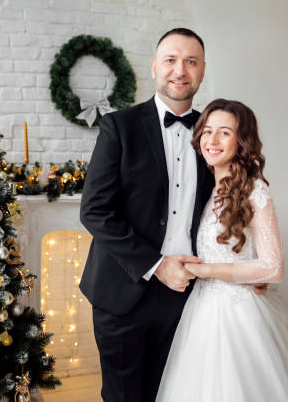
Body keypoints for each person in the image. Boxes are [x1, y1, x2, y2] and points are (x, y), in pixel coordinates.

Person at [80, 28, 219, 401]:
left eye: (191, 61)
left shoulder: (215, 134)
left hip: (189, 294)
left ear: (202, 70)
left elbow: (233, 206)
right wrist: (157, 264)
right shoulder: (119, 127)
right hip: (123, 291)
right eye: (171, 60)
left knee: (173, 393)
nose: (180, 70)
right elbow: (94, 211)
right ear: (155, 67)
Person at [155, 99, 288, 401]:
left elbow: (273, 267)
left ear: (242, 141)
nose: (212, 141)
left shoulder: (255, 191)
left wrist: (206, 270)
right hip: (201, 313)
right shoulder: (208, 188)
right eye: (207, 131)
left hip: (239, 317)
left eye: (225, 133)